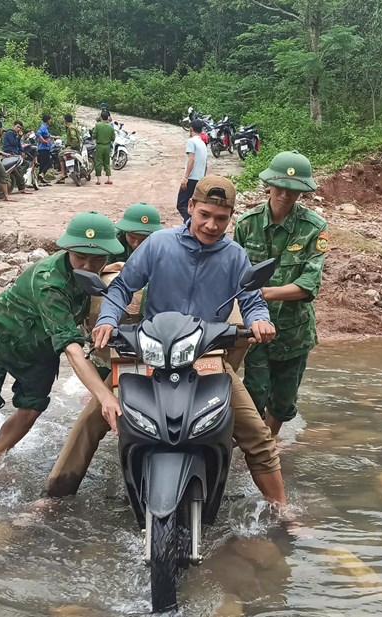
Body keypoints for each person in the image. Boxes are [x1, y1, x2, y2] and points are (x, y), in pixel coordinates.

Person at [43, 175, 287, 506]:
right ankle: (53, 498)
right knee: (93, 419)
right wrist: (106, 320)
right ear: (190, 207)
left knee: (256, 435)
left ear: (230, 218)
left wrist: (260, 320)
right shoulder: (159, 243)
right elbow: (122, 288)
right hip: (149, 353)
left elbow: (252, 301)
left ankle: (282, 511)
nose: (211, 225)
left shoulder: (235, 256)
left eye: (220, 219)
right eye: (205, 215)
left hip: (206, 355)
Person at [0, 212, 125, 462]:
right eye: (80, 258)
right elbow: (72, 350)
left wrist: (106, 269)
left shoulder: (90, 269)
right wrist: (104, 395)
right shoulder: (48, 283)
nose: (87, 267)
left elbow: (84, 275)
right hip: (2, 338)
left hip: (41, 349)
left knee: (31, 409)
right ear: (68, 250)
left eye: (97, 260)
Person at [233, 151, 327, 436]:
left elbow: (309, 283)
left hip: (293, 333)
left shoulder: (313, 228)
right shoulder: (246, 225)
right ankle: (254, 447)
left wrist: (263, 294)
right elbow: (232, 275)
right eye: (281, 187)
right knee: (253, 394)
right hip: (255, 331)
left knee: (284, 401)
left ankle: (268, 442)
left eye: (294, 189)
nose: (286, 195)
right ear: (269, 185)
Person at [104, 202, 163, 269]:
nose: (136, 244)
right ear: (125, 232)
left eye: (143, 240)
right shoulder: (113, 240)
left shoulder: (161, 244)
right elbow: (94, 273)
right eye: (132, 237)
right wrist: (117, 266)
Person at [176, 119, 208, 222]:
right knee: (193, 204)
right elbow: (205, 163)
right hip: (200, 179)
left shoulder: (191, 141)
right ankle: (190, 223)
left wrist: (185, 178)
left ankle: (191, 223)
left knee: (181, 205)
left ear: (191, 129)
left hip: (191, 178)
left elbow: (191, 160)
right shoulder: (203, 144)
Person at [2, 120, 31, 194]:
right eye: (17, 127)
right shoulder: (9, 133)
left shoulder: (16, 134)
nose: (19, 129)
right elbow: (13, 143)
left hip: (16, 154)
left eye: (20, 128)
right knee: (16, 170)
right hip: (10, 153)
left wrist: (22, 151)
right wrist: (19, 136)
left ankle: (20, 179)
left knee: (26, 164)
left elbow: (19, 145)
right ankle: (21, 186)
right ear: (14, 126)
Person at [91, 111, 116, 185]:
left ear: (101, 117)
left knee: (98, 162)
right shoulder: (110, 127)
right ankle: (109, 179)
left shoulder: (98, 125)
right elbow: (113, 138)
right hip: (107, 146)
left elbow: (94, 136)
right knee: (107, 162)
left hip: (99, 146)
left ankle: (98, 180)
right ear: (108, 117)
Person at [56, 113, 82, 184]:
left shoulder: (71, 128)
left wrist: (71, 146)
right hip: (73, 146)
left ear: (65, 120)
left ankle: (63, 173)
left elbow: (74, 139)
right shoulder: (72, 126)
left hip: (73, 147)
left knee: (60, 155)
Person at [36, 113, 54, 185]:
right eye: (50, 120)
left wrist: (54, 137)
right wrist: (43, 140)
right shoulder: (43, 127)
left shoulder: (45, 128)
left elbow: (47, 136)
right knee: (48, 163)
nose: (51, 121)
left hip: (46, 148)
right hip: (43, 148)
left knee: (43, 164)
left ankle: (40, 178)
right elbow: (38, 133)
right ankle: (41, 175)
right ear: (48, 120)